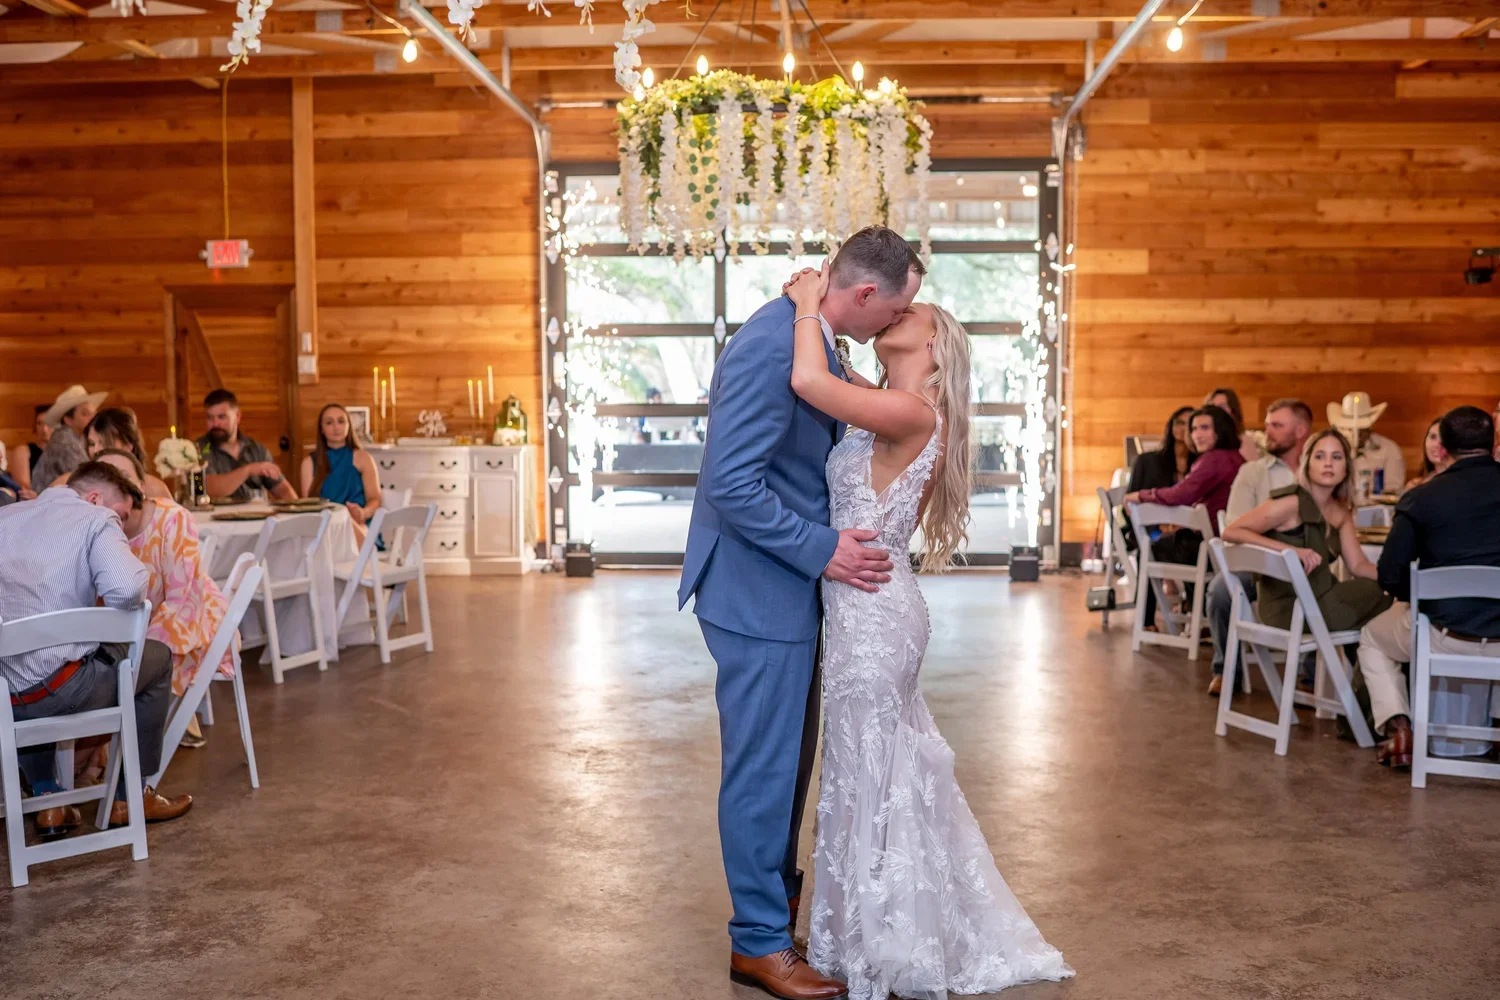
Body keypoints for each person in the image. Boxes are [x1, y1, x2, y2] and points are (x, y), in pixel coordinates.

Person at [781, 260, 1072, 997]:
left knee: (873, 771)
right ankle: (864, 931)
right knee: (863, 771)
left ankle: (889, 943)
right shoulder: (887, 400)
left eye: (914, 314)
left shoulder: (915, 414)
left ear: (937, 347)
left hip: (876, 615)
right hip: (860, 606)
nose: (896, 315)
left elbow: (812, 384)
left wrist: (808, 303)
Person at [681, 226, 920, 1000]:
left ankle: (776, 915)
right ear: (862, 295)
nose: (895, 324)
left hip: (791, 591)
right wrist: (822, 549)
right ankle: (756, 943)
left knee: (789, 768)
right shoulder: (770, 341)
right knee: (763, 770)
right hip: (757, 589)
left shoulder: (813, 333)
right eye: (895, 309)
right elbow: (733, 485)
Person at [0, 461, 193, 834]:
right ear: (93, 498)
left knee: (28, 668)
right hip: (64, 689)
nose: (121, 525)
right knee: (156, 658)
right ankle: (130, 796)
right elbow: (126, 589)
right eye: (120, 517)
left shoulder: (7, 517)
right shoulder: (93, 519)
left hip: (5, 695)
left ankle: (47, 802)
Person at [1356, 406, 1500, 770]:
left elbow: (1390, 576)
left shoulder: (1423, 497)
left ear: (1445, 447)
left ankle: (1399, 728)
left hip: (1444, 634)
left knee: (1372, 637)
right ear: (1493, 441)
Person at [95, 448, 233, 751]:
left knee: (112, 678)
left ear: (141, 486)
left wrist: (128, 657)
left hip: (188, 625)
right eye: (106, 479)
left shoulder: (172, 520)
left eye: (124, 478)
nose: (115, 486)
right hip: (128, 635)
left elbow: (181, 603)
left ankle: (122, 766)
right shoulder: (94, 530)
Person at [1223, 427, 1391, 630]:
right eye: (1320, 456)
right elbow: (1231, 531)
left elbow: (1358, 566)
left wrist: (1397, 579)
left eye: (1336, 457)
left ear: (1346, 467)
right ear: (1307, 463)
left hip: (1320, 599)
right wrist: (1288, 551)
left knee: (1384, 593)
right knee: (1377, 596)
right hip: (1288, 610)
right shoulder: (1291, 503)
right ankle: (1356, 658)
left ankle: (1353, 658)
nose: (1328, 463)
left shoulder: (1341, 513)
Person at [1205, 398, 1314, 693]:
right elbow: (1236, 530)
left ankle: (1312, 679)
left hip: (1312, 566)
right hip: (1261, 566)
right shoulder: (1253, 472)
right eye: (1267, 425)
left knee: (1327, 587)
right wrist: (1283, 551)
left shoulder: (1319, 470)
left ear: (1301, 430)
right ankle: (1227, 671)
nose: (1268, 431)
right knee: (1220, 590)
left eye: (1277, 425)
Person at [1125, 406, 1247, 634]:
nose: (1196, 434)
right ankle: (1197, 616)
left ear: (1220, 430)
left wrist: (1142, 495)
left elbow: (1181, 494)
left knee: (1150, 548)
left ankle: (1150, 620)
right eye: (1194, 428)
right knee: (1166, 541)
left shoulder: (1212, 460)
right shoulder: (1234, 457)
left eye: (1204, 428)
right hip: (1225, 545)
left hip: (1207, 548)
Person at [300, 403, 382, 542]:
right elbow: (308, 506)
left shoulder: (363, 458)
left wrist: (363, 513)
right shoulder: (308, 462)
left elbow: (375, 499)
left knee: (348, 521)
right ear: (322, 429)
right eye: (329, 422)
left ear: (349, 425)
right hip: (325, 529)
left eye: (341, 421)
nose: (336, 427)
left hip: (359, 526)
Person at [198, 388, 297, 502]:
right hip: (214, 518)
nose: (215, 424)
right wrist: (248, 470)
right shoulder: (199, 449)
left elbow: (283, 490)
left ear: (238, 416)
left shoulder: (257, 449)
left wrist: (296, 512)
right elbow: (208, 488)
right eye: (210, 418)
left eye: (221, 417)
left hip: (255, 517)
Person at [65, 406, 174, 500]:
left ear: (128, 446)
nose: (96, 450)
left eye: (105, 443)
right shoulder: (72, 484)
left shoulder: (154, 488)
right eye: (92, 444)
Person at [1328, 391, 1405, 499]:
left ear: (1369, 428)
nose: (1355, 435)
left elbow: (1393, 492)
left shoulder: (1389, 450)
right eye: (1348, 429)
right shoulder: (1331, 449)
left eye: (1361, 430)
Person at [32, 384, 107, 488]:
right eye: (85, 414)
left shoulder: (81, 437)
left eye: (94, 413)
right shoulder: (63, 439)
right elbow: (88, 476)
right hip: (50, 501)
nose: (93, 418)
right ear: (68, 420)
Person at [1127, 406, 1194, 494]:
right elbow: (1130, 498)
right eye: (1179, 423)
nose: (1183, 428)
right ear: (1171, 426)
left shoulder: (1201, 463)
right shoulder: (1146, 461)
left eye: (1189, 424)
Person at [1205, 387, 1262, 463]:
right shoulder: (1203, 440)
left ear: (1233, 411)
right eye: (1212, 407)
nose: (1216, 412)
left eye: (1222, 407)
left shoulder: (1243, 441)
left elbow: (1254, 470)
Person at [5, 403, 51, 496]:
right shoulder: (24, 451)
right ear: (35, 427)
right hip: (32, 502)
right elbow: (23, 488)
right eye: (40, 424)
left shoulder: (64, 454)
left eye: (49, 424)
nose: (44, 429)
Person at [1403, 417, 1450, 492]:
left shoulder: (1461, 483)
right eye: (1433, 437)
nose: (1436, 444)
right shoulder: (1415, 484)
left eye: (1444, 438)